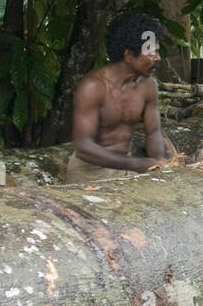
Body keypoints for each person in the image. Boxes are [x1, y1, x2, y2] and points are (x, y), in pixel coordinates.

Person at [66, 11, 175, 183]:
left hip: (126, 171)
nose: (158, 58)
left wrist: (159, 164)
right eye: (152, 53)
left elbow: (153, 133)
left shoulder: (148, 85)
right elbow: (84, 147)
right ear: (129, 55)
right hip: (88, 174)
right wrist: (137, 164)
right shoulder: (93, 86)